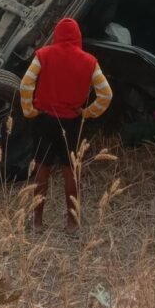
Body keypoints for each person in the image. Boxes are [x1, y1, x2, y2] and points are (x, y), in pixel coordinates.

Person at [19, 17, 112, 233]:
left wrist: (29, 110)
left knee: (42, 168)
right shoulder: (90, 61)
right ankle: (72, 222)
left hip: (44, 119)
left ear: (57, 34)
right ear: (78, 36)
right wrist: (88, 112)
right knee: (70, 171)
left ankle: (37, 221)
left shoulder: (43, 55)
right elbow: (106, 94)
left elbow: (25, 84)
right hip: (71, 122)